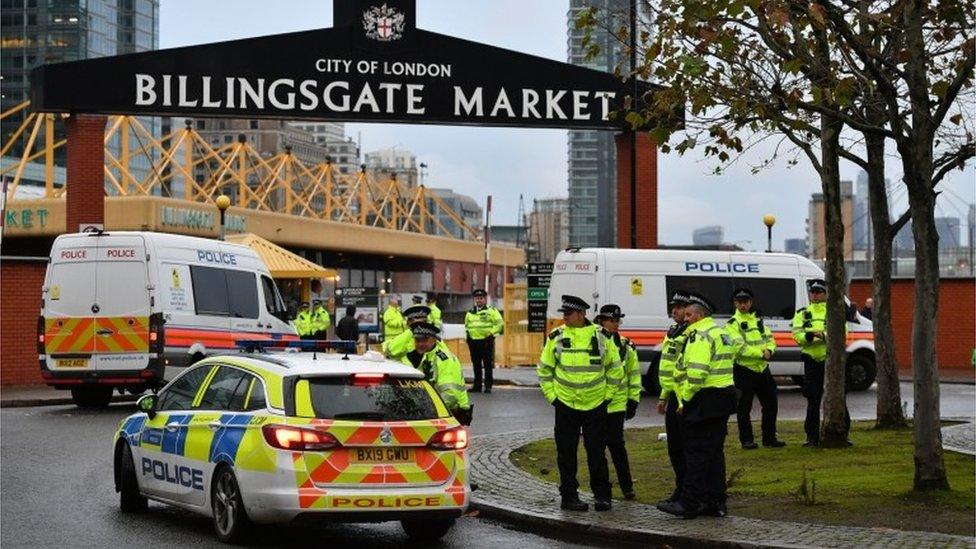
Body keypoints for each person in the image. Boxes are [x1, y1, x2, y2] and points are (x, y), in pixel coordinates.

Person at [537, 294, 622, 512]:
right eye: (563, 313)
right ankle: (569, 496)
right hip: (566, 404)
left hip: (596, 404)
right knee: (566, 453)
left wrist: (608, 395)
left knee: (596, 453)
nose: (564, 317)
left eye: (568, 313)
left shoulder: (601, 336)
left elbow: (615, 368)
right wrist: (552, 397)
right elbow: (545, 369)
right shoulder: (556, 336)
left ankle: (602, 496)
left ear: (582, 314)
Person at [658, 293, 736, 520]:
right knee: (713, 453)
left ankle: (689, 503)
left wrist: (686, 400)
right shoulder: (721, 332)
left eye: (689, 314)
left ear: (700, 315)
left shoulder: (699, 336)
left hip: (703, 399)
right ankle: (715, 502)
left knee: (696, 453)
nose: (686, 318)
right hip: (722, 398)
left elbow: (697, 373)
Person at [792, 279, 850, 447]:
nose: (815, 295)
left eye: (819, 292)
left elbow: (841, 333)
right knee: (813, 399)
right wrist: (809, 337)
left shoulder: (834, 312)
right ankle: (812, 437)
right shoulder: (802, 314)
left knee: (839, 397)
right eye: (813, 292)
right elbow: (797, 335)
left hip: (830, 361)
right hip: (811, 361)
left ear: (825, 294)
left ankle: (842, 433)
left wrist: (822, 335)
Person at [726, 288, 785, 450]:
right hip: (744, 370)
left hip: (762, 370)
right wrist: (761, 353)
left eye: (745, 302)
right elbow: (738, 347)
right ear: (735, 303)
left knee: (771, 404)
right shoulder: (732, 324)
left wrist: (770, 350)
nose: (743, 305)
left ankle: (769, 437)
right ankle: (746, 440)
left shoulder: (758, 321)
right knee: (744, 408)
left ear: (751, 302)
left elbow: (770, 339)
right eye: (739, 302)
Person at [595, 304, 640, 500]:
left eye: (617, 321)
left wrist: (633, 400)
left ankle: (627, 486)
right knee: (597, 448)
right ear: (601, 321)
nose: (614, 324)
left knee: (617, 447)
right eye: (610, 320)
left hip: (617, 405)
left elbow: (634, 374)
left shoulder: (626, 345)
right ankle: (602, 489)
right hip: (595, 404)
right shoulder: (593, 343)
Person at [656, 289, 691, 506]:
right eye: (673, 307)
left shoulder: (691, 334)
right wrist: (663, 395)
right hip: (672, 398)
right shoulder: (673, 332)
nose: (674, 310)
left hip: (684, 400)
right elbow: (667, 367)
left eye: (679, 307)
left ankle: (687, 491)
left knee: (686, 449)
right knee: (675, 449)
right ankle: (680, 488)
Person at [407, 321, 472, 425]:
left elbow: (450, 395)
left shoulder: (444, 359)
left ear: (434, 340)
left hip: (451, 414)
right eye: (417, 340)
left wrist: (429, 410)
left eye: (424, 340)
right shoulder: (422, 357)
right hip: (434, 412)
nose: (420, 344)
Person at [465, 289, 504, 393]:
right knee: (476, 365)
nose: (479, 300)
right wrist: (468, 338)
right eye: (477, 298)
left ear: (485, 299)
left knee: (487, 365)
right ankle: (477, 386)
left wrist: (491, 333)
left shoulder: (492, 311)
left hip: (486, 342)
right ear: (474, 299)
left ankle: (488, 386)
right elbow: (467, 326)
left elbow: (500, 324)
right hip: (473, 342)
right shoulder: (469, 313)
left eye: (481, 298)